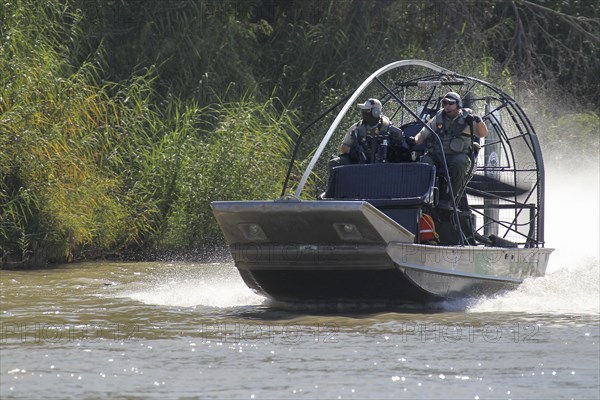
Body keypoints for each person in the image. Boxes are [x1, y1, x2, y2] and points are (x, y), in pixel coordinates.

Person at [410, 91, 488, 209]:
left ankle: (450, 199)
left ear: (458, 105)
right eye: (444, 103)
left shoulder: (468, 119)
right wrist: (415, 140)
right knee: (424, 162)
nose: (447, 106)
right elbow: (423, 133)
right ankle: (423, 196)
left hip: (456, 156)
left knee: (461, 163)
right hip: (437, 156)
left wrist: (479, 121)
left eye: (450, 103)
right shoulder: (438, 118)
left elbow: (483, 134)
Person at [329, 98, 407, 169]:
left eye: (366, 111)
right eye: (363, 111)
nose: (363, 113)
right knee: (336, 162)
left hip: (385, 165)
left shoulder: (389, 128)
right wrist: (355, 152)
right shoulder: (356, 127)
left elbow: (403, 148)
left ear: (375, 112)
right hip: (360, 163)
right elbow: (344, 147)